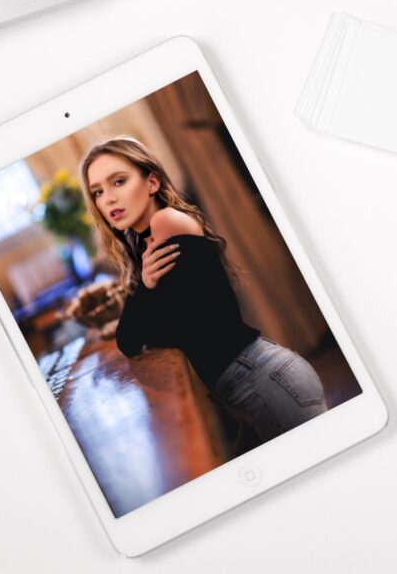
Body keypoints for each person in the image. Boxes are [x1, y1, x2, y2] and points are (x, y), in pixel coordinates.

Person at [78, 137, 327, 442]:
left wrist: (144, 291)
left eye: (119, 181)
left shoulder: (165, 222)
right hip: (252, 385)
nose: (109, 199)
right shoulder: (146, 244)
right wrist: (144, 287)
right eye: (98, 192)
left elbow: (147, 332)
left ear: (152, 182)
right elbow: (129, 340)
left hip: (265, 382)